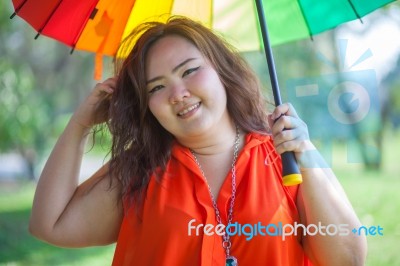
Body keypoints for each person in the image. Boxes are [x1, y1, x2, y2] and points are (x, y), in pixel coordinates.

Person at [29, 16, 367, 266]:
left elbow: (348, 260)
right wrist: (80, 124)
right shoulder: (140, 171)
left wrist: (304, 153)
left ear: (222, 71)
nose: (178, 94)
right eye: (157, 87)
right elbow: (50, 225)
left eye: (189, 71)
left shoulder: (285, 156)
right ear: (147, 105)